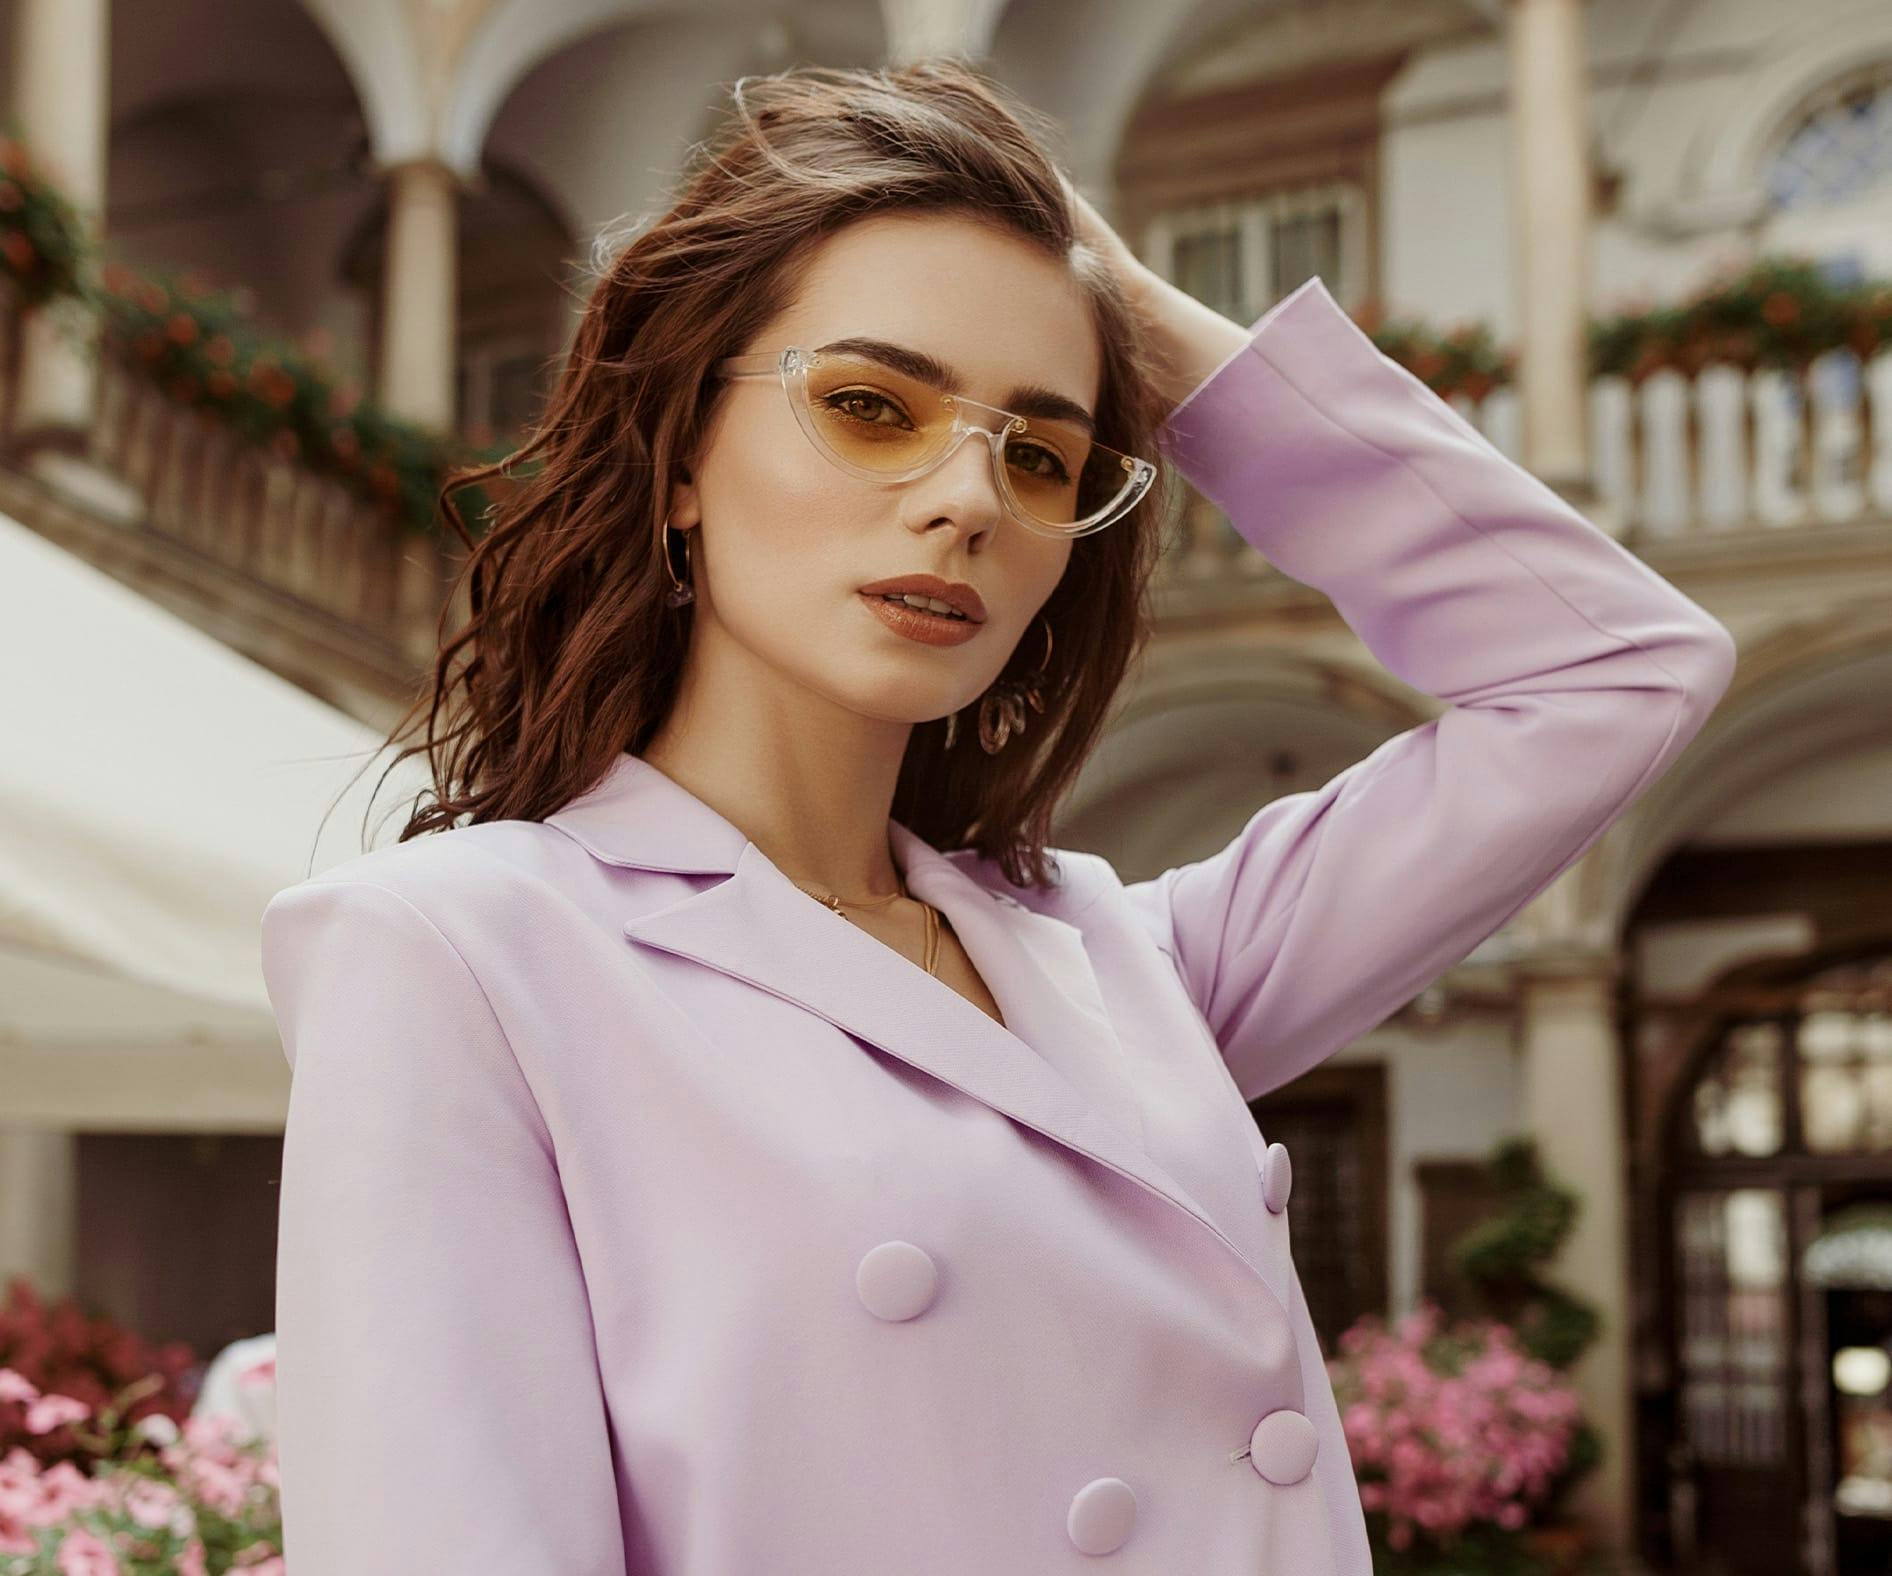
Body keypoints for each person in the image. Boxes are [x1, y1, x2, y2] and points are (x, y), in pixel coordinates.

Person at [259, 57, 1737, 1576]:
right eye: (869, 405)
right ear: (682, 456)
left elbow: (1614, 673)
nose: (968, 494)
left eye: (1040, 450)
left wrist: (1146, 333)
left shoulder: (1126, 969)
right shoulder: (468, 954)